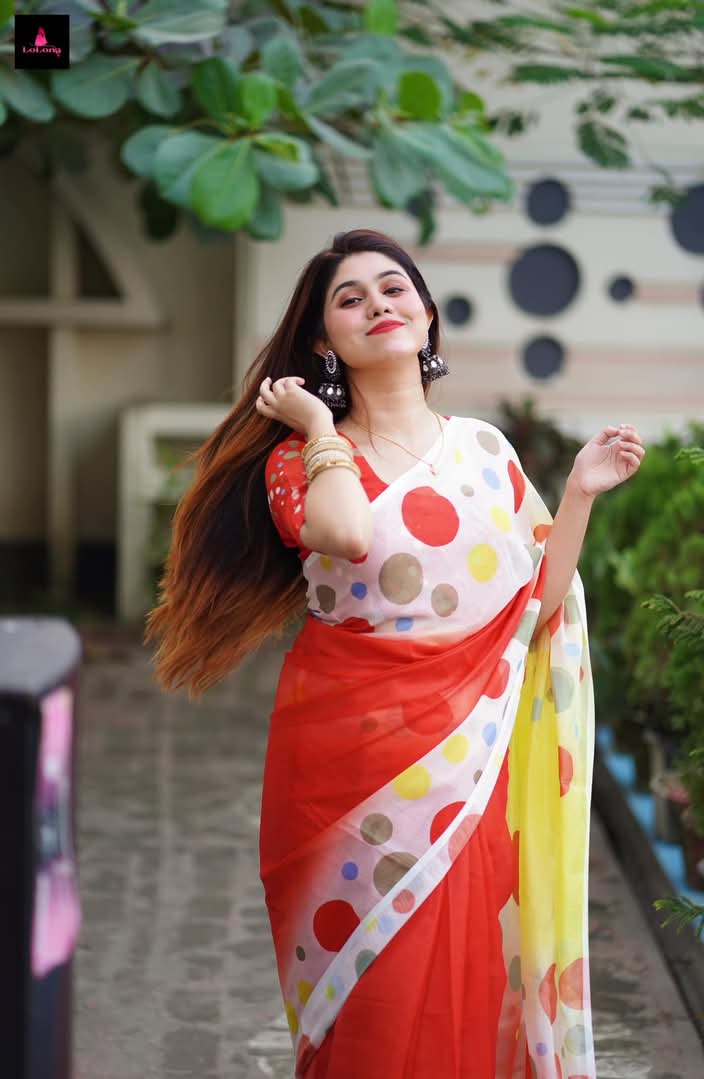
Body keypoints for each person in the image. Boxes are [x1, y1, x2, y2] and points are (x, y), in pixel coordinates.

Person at [146, 229, 645, 1079]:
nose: (377, 304)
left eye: (393, 287)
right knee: (374, 995)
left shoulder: (485, 452)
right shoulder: (297, 462)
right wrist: (316, 424)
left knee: (465, 978)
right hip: (351, 767)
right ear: (323, 340)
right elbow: (346, 531)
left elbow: (537, 606)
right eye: (350, 298)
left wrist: (578, 495)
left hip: (470, 768)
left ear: (426, 313)